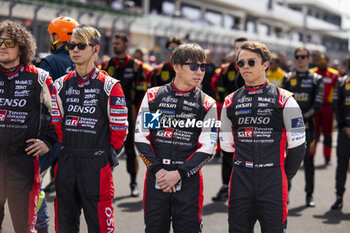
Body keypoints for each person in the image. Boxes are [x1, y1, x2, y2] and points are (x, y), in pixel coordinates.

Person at [220, 41, 306, 232]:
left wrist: (283, 174)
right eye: (240, 63)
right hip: (241, 179)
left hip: (273, 179)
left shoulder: (285, 99)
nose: (245, 67)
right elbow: (226, 146)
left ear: (266, 63)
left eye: (251, 62)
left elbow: (298, 146)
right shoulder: (230, 101)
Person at [51, 25, 128, 232]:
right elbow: (57, 124)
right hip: (66, 160)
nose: (74, 50)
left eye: (81, 45)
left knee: (101, 226)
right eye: (71, 45)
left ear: (95, 49)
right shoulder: (59, 85)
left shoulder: (110, 86)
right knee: (64, 225)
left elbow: (120, 130)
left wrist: (103, 155)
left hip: (96, 163)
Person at [135, 43, 218, 233]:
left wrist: (179, 174)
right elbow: (142, 136)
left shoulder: (206, 104)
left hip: (188, 181)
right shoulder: (155, 97)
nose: (200, 72)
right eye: (194, 66)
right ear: (177, 67)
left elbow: (208, 147)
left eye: (203, 66)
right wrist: (158, 171)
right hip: (157, 178)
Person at [0, 19, 56, 233]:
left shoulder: (39, 77)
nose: (3, 46)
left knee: (24, 227)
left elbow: (59, 114)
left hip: (22, 162)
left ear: (21, 46)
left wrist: (48, 141)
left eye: (9, 42)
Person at [36, 16, 79, 233]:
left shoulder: (49, 63)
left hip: (49, 135)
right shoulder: (85, 63)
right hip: (77, 136)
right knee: (67, 194)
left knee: (34, 185)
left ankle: (40, 226)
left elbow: (40, 103)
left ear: (57, 36)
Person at [104, 32, 146, 197]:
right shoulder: (108, 64)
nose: (115, 45)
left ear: (125, 44)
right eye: (113, 43)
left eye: (118, 43)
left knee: (129, 150)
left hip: (129, 113)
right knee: (107, 148)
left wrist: (138, 116)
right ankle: (107, 182)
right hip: (108, 113)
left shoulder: (136, 65)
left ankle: (133, 182)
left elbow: (142, 93)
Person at [282, 47, 324, 207]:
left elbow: (317, 105)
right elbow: (282, 102)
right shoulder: (287, 77)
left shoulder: (316, 79)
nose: (300, 59)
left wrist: (298, 119)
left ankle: (309, 195)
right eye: (297, 57)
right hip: (288, 129)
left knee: (309, 163)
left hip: (309, 127)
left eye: (303, 57)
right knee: (286, 162)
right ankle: (285, 195)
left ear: (308, 59)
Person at [211, 36, 247, 202]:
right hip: (228, 115)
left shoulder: (253, 69)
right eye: (236, 47)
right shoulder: (225, 70)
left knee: (245, 153)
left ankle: (244, 189)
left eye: (242, 47)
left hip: (248, 118)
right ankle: (226, 186)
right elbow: (218, 90)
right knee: (227, 151)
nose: (238, 50)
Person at [309, 54, 339, 165]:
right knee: (314, 133)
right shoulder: (312, 73)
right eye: (320, 60)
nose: (321, 62)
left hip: (328, 108)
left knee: (328, 133)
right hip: (314, 108)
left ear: (327, 61)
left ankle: (327, 157)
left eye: (324, 60)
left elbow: (338, 91)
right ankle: (310, 154)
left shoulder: (334, 74)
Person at [331, 66, 350, 210]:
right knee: (341, 166)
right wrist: (343, 126)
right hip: (344, 132)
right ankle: (339, 197)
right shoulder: (342, 81)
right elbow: (336, 105)